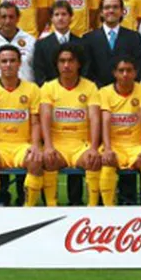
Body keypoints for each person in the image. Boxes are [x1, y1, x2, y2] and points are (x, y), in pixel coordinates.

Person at [0, 45, 44, 207]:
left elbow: (36, 122)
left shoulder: (32, 89)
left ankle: (28, 207)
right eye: (4, 61)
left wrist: (35, 145)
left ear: (19, 63)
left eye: (12, 61)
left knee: (35, 159)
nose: (8, 65)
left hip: (22, 146)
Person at [40, 43, 101, 207]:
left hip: (81, 145)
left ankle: (93, 208)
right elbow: (45, 117)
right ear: (57, 64)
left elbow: (95, 118)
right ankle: (51, 207)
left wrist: (93, 147)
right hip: (58, 145)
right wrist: (48, 146)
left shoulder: (90, 87)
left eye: (71, 61)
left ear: (79, 63)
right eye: (62, 61)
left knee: (93, 160)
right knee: (48, 160)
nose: (66, 65)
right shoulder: (48, 88)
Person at [98, 56, 141, 206]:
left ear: (135, 73)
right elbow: (105, 121)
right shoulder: (104, 92)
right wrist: (107, 149)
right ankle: (108, 211)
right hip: (115, 146)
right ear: (114, 73)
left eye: (129, 70)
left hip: (136, 146)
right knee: (107, 166)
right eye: (121, 70)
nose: (125, 74)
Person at [82, 0, 141, 87]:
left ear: (122, 11)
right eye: (107, 7)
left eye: (115, 7)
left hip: (126, 90)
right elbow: (86, 70)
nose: (111, 11)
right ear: (101, 12)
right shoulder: (88, 39)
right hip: (97, 91)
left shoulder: (134, 37)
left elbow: (138, 67)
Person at [33, 0, 87, 86]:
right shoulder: (41, 45)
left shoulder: (82, 44)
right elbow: (39, 73)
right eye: (56, 15)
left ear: (71, 18)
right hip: (50, 92)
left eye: (64, 14)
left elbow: (85, 71)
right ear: (51, 19)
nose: (60, 18)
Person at [0, 1, 36, 83]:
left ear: (18, 18)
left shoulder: (31, 41)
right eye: (3, 17)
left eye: (11, 17)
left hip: (26, 89)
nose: (7, 21)